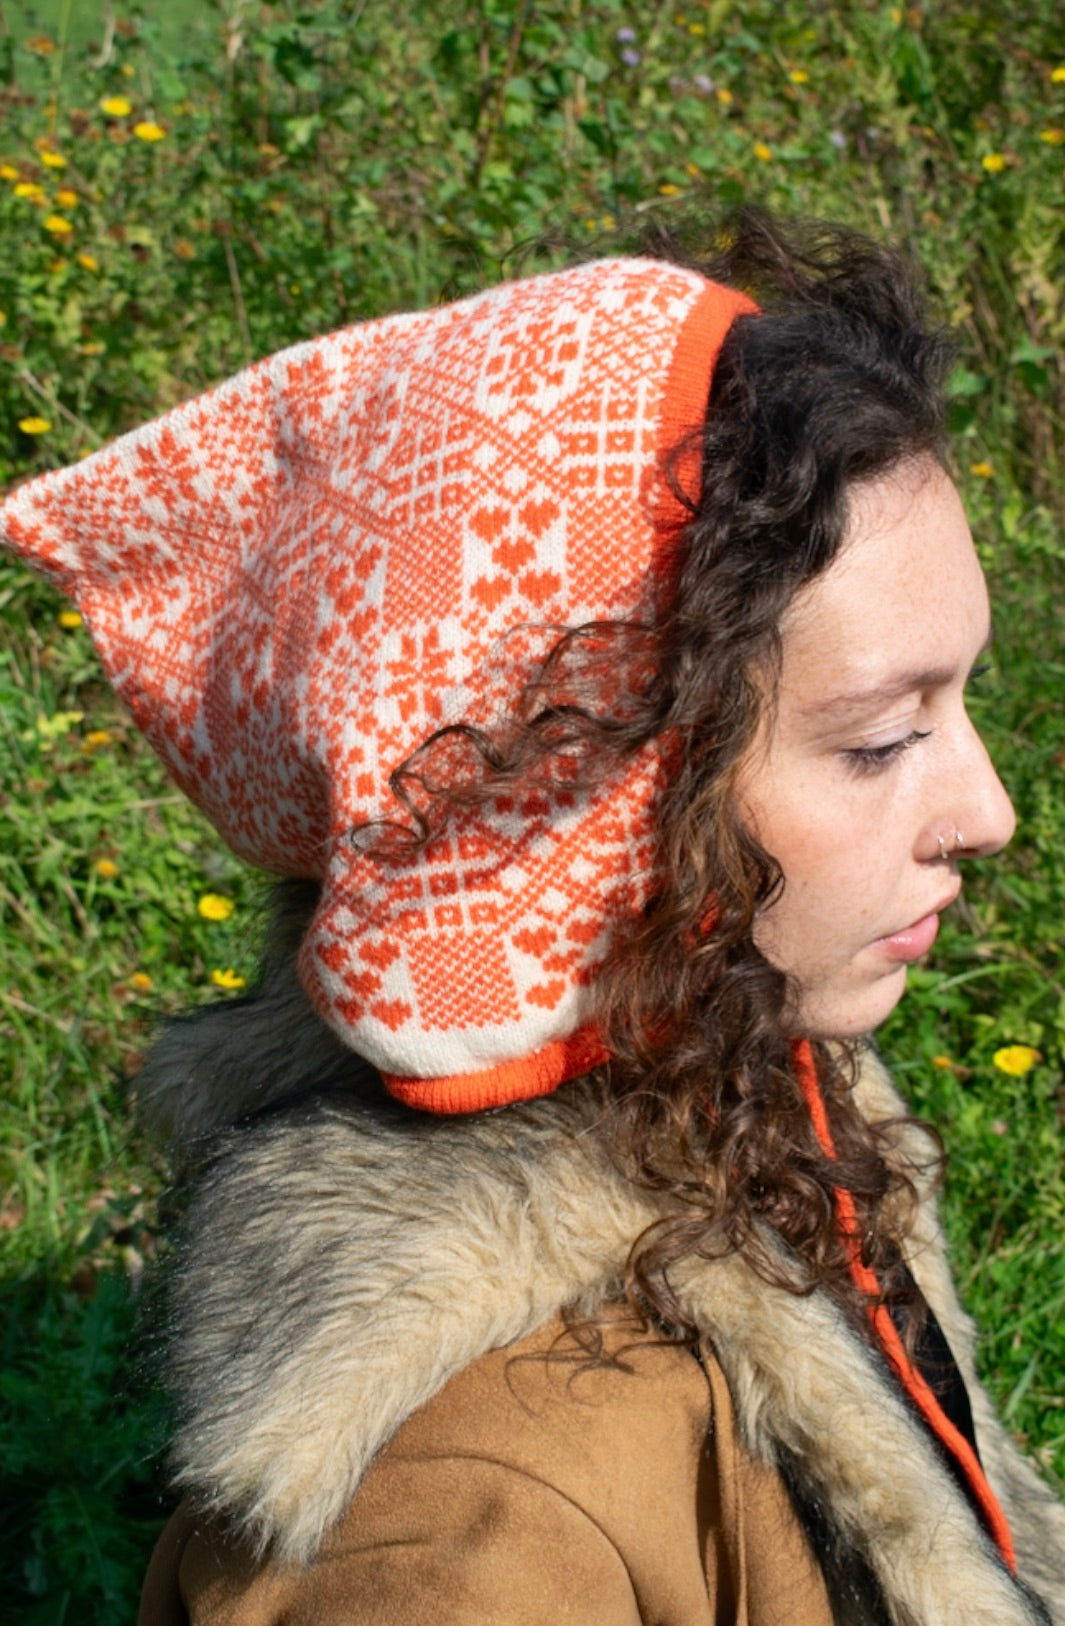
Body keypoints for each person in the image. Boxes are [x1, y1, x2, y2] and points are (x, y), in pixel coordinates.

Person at [4, 212, 1064, 1625]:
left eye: (961, 701)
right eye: (878, 739)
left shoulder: (757, 1093)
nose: (985, 811)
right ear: (580, 805)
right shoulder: (464, 1521)